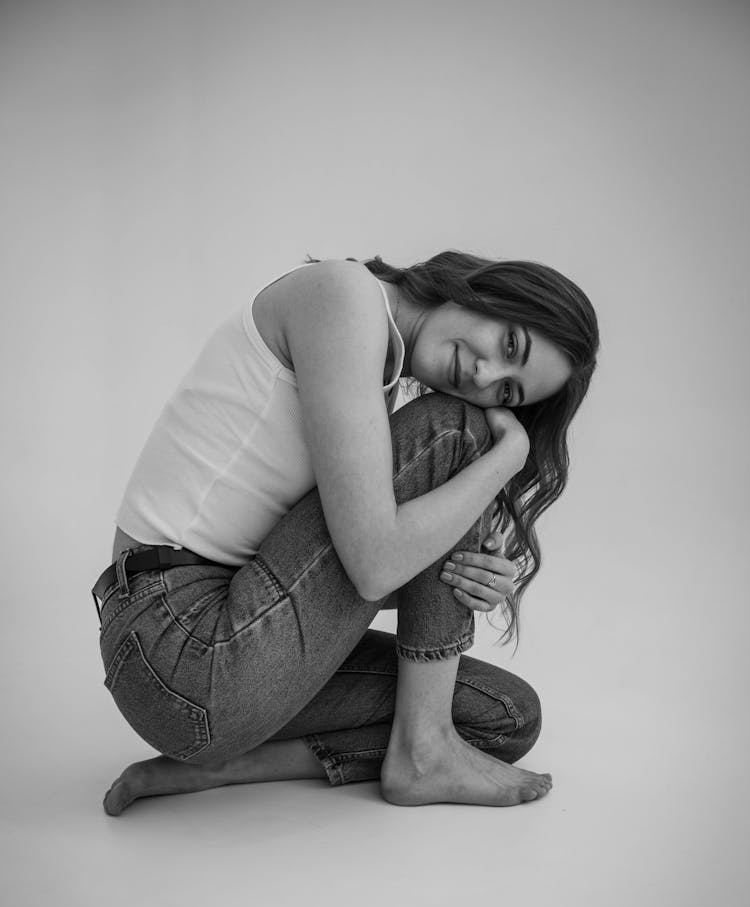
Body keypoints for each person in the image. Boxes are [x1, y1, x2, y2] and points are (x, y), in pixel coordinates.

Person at [92, 250, 599, 816]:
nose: (484, 377)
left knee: (504, 715)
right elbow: (373, 564)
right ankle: (422, 750)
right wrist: (508, 455)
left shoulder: (375, 366)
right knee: (456, 432)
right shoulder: (343, 296)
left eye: (508, 394)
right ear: (493, 291)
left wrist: (463, 575)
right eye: (510, 347)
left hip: (220, 665)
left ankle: (235, 764)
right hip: (179, 643)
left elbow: (331, 577)